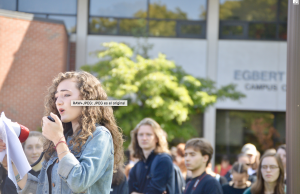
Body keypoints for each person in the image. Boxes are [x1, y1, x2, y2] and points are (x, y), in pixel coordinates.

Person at [0, 71, 124, 194]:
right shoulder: (64, 138)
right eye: (56, 97)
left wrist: (58, 140)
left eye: (66, 95)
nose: (58, 101)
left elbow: (79, 182)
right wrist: (9, 163)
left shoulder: (99, 135)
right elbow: (40, 189)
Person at [128, 118, 175, 194]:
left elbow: (154, 191)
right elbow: (129, 191)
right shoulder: (137, 166)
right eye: (141, 135)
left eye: (148, 134)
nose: (144, 138)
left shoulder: (164, 160)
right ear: (136, 138)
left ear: (157, 138)